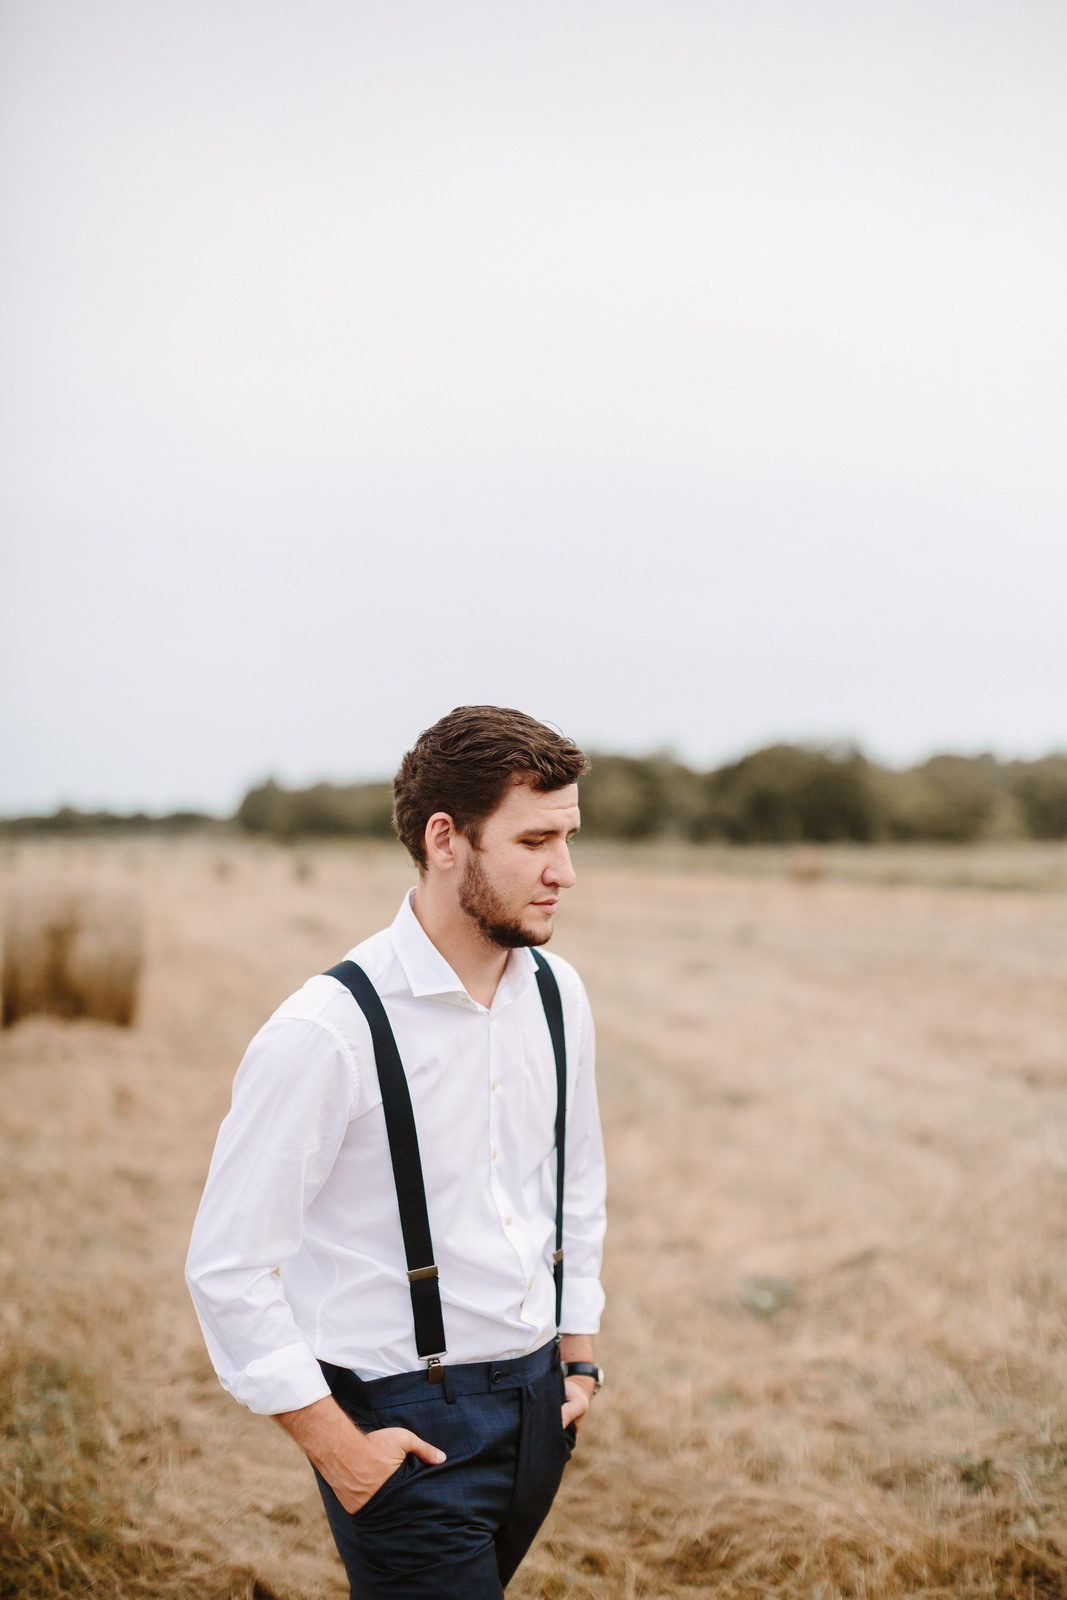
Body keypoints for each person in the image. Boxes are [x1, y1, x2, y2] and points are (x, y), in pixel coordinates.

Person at [185, 705, 607, 1599]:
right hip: (402, 1427)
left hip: (540, 1405)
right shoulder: (325, 1031)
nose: (564, 873)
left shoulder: (559, 994)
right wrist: (341, 1453)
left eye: (568, 839)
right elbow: (228, 1268)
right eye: (535, 841)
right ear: (444, 838)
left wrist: (578, 1358)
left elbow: (573, 1184)